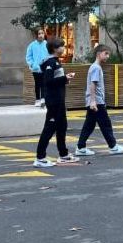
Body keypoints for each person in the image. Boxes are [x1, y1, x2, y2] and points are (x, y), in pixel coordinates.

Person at [75, 44, 123, 157]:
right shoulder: (96, 68)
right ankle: (113, 146)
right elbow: (93, 84)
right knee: (105, 124)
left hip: (95, 101)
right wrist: (93, 101)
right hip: (97, 102)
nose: (107, 56)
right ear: (99, 54)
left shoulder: (96, 67)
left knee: (89, 125)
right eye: (106, 53)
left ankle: (81, 147)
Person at [33, 37, 78, 167]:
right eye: (61, 46)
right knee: (49, 128)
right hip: (53, 101)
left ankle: (63, 154)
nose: (63, 48)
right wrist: (65, 78)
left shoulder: (56, 62)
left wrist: (65, 79)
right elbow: (48, 82)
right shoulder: (50, 63)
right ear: (54, 49)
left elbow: (55, 80)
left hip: (59, 99)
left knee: (62, 126)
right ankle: (40, 158)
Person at [25, 28, 50, 106]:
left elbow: (50, 55)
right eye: (39, 34)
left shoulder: (47, 44)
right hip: (36, 69)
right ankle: (37, 99)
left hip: (45, 68)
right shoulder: (32, 45)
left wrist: (49, 65)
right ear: (36, 35)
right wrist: (32, 64)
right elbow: (28, 56)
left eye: (42, 33)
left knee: (44, 83)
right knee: (37, 84)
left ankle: (43, 98)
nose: (41, 35)